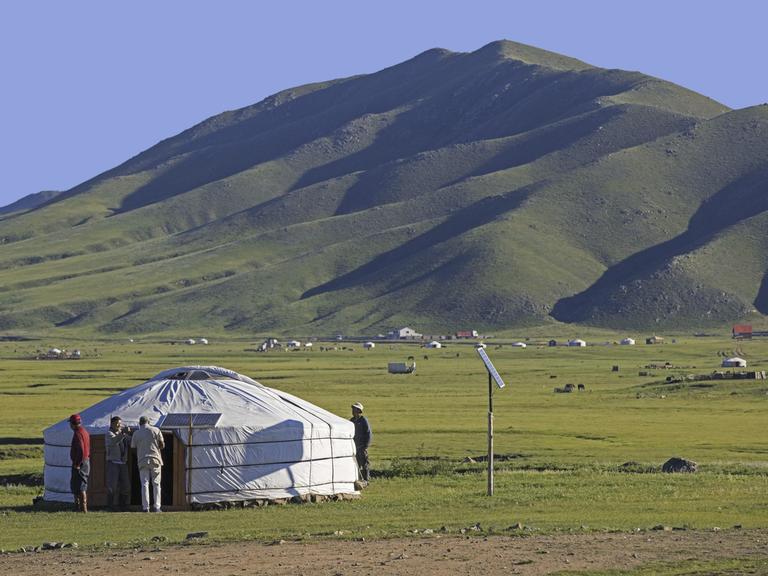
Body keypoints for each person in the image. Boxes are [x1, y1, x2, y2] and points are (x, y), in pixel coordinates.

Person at [131, 415, 165, 512]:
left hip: (142, 460)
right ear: (149, 422)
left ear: (139, 423)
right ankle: (157, 507)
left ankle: (145, 508)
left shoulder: (136, 433)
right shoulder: (156, 430)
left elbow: (133, 448)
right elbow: (162, 445)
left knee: (144, 484)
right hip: (155, 459)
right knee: (156, 484)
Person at [105, 416, 131, 511]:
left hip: (123, 463)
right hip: (113, 462)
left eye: (120, 424)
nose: (119, 425)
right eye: (117, 424)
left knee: (126, 485)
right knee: (112, 485)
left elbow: (131, 441)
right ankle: (110, 506)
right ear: (112, 424)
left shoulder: (121, 433)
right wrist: (123, 433)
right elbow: (114, 441)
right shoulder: (109, 434)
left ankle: (123, 506)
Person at [69, 413, 90, 513]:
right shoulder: (84, 431)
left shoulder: (78, 433)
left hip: (80, 462)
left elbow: (81, 449)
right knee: (77, 484)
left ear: (72, 424)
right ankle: (78, 507)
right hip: (85, 461)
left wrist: (77, 463)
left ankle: (83, 509)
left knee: (81, 485)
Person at [350, 402, 372, 485]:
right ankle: (358, 479)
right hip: (354, 446)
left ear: (359, 410)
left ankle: (366, 480)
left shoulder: (363, 420)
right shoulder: (351, 420)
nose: (352, 410)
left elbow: (368, 433)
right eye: (352, 408)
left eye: (354, 409)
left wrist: (366, 445)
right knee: (356, 464)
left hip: (362, 446)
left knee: (364, 463)